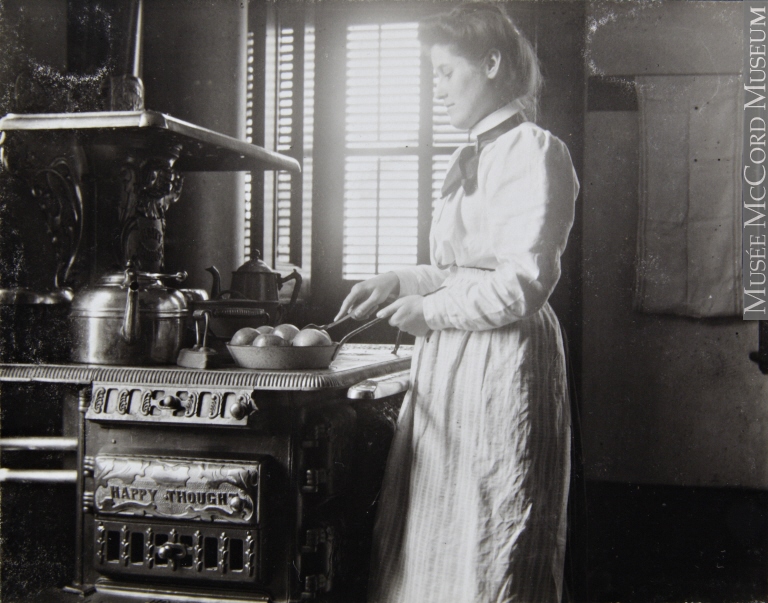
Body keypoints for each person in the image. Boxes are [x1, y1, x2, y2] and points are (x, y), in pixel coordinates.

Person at [335, 3, 579, 601]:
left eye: (445, 72)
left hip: (501, 361)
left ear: (491, 64)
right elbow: (460, 269)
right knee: (436, 528)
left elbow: (522, 283)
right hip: (453, 361)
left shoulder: (533, 150)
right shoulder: (470, 156)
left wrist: (431, 311)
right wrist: (399, 279)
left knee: (494, 521)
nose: (436, 89)